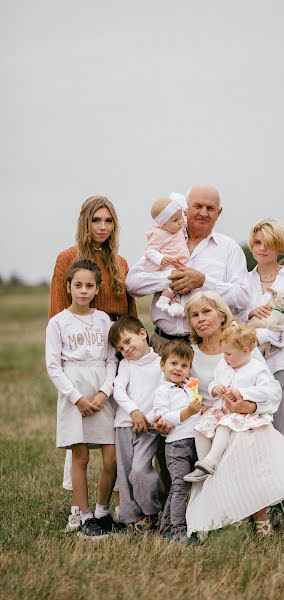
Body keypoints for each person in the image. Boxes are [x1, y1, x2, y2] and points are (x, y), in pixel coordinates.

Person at [182, 291, 284, 537]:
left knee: (242, 444)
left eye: (207, 311)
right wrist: (199, 406)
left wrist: (250, 406)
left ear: (222, 316)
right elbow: (185, 390)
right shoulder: (190, 353)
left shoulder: (243, 348)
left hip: (244, 418)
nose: (201, 319)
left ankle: (257, 514)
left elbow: (271, 392)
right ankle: (224, 510)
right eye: (194, 315)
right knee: (214, 438)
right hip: (209, 418)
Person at [49, 196, 137, 531]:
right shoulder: (68, 259)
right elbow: (59, 311)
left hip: (115, 348)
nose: (102, 227)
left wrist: (133, 348)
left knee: (115, 431)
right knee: (81, 437)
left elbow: (129, 311)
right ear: (85, 222)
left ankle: (113, 507)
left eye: (109, 221)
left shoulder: (120, 262)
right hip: (81, 351)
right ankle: (79, 509)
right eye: (96, 220)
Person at [126, 185, 250, 354]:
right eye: (198, 206)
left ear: (219, 213)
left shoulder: (229, 248)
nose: (204, 213)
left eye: (210, 208)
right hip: (162, 344)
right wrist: (169, 277)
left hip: (208, 348)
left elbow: (242, 296)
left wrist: (203, 282)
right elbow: (132, 284)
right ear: (185, 209)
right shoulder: (163, 239)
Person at [45, 260, 119, 539]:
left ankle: (102, 511)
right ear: (68, 287)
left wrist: (104, 392)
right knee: (81, 456)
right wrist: (76, 398)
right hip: (73, 395)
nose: (84, 291)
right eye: (78, 285)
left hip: (100, 393)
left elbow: (112, 360)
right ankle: (84, 516)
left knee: (111, 458)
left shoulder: (104, 321)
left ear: (97, 289)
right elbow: (53, 366)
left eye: (89, 286)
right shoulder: (57, 323)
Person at [245, 218, 284, 526]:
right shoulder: (245, 282)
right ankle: (260, 504)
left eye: (268, 242)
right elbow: (238, 319)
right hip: (254, 370)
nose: (262, 248)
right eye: (257, 242)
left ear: (279, 245)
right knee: (257, 438)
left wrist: (267, 336)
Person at [186, 322, 279, 480]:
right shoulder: (224, 364)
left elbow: (265, 392)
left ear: (245, 351)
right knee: (200, 426)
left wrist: (241, 392)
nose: (225, 358)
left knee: (224, 425)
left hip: (241, 414)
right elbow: (214, 381)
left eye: (228, 354)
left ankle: (212, 460)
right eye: (224, 354)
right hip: (221, 409)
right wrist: (215, 389)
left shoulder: (257, 368)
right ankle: (203, 465)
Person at [108, 316, 163, 531]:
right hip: (124, 424)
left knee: (139, 471)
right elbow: (118, 390)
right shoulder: (126, 365)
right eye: (121, 348)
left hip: (148, 428)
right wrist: (133, 411)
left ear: (142, 334)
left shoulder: (161, 363)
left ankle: (152, 511)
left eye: (128, 341)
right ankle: (133, 518)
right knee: (125, 473)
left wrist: (147, 418)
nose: (126, 349)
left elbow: (163, 394)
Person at [153, 341, 200, 541]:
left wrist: (200, 410)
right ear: (162, 365)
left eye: (184, 365)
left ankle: (166, 529)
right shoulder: (162, 391)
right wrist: (188, 411)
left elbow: (194, 413)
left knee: (179, 487)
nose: (178, 369)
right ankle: (179, 530)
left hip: (193, 441)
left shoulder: (188, 388)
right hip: (176, 445)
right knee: (180, 486)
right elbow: (163, 417)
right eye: (173, 363)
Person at [145, 193, 189, 317]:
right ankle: (163, 300)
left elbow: (182, 220)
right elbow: (150, 250)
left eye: (180, 218)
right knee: (175, 280)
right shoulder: (159, 234)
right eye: (175, 220)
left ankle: (175, 304)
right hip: (168, 263)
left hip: (179, 263)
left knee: (180, 284)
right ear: (163, 224)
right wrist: (161, 259)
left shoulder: (178, 228)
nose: (180, 222)